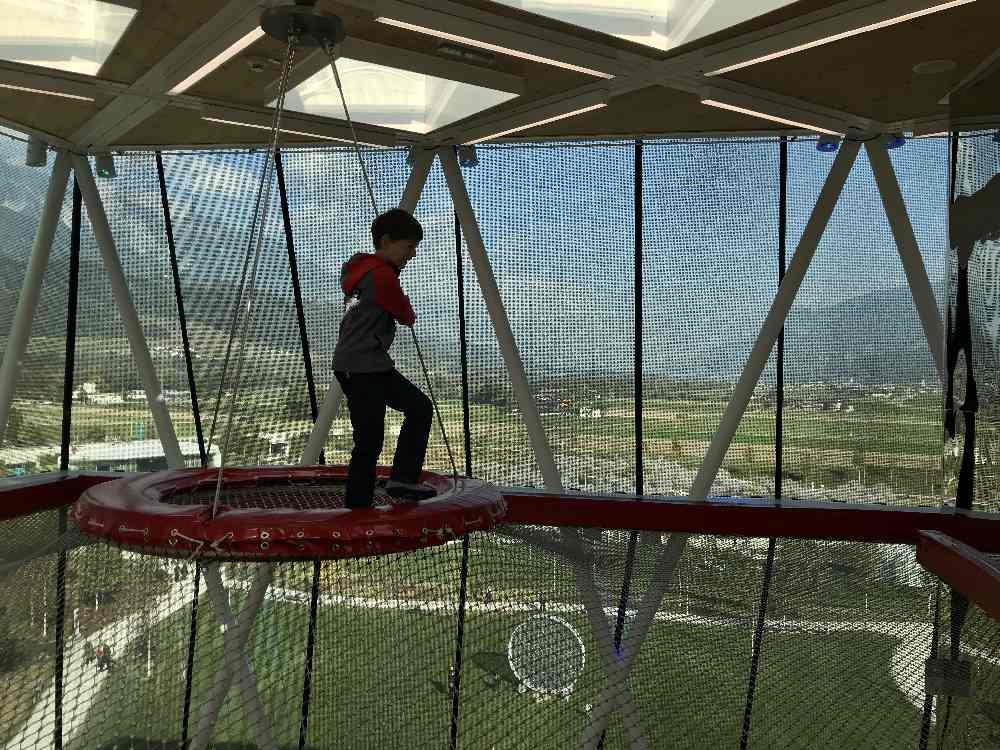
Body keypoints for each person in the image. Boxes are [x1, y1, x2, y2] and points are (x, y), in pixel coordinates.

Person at [332, 208, 437, 509]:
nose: (413, 254)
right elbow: (407, 316)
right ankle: (364, 502)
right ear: (387, 241)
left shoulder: (360, 273)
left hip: (362, 364)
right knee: (371, 438)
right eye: (409, 246)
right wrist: (403, 299)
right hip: (363, 366)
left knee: (411, 412)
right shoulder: (381, 277)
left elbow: (360, 310)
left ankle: (386, 488)